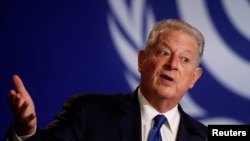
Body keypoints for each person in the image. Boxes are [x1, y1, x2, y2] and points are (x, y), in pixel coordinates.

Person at [5, 18, 207, 141]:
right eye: (164, 53)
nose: (172, 64)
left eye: (185, 59)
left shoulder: (205, 136)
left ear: (194, 78)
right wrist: (26, 129)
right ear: (142, 60)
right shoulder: (88, 112)